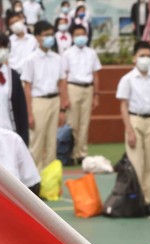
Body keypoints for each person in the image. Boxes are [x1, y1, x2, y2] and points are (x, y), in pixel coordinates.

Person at [116, 41, 150, 216]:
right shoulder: (127, 79)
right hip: (135, 120)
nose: (145, 59)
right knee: (136, 164)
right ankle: (134, 202)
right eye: (141, 56)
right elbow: (123, 105)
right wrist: (129, 129)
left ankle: (147, 202)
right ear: (134, 58)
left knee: (149, 164)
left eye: (148, 56)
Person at [21, 21, 67, 172]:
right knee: (37, 142)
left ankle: (49, 181)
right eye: (45, 35)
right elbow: (27, 87)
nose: (49, 38)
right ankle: (34, 180)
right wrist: (29, 114)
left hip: (54, 100)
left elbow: (61, 83)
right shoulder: (30, 60)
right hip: (38, 101)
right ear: (37, 37)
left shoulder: (57, 58)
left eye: (51, 34)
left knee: (51, 143)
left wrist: (62, 110)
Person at [62, 23, 101, 166]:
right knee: (72, 122)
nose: (80, 37)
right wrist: (64, 96)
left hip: (88, 88)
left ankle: (82, 153)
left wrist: (96, 94)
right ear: (72, 37)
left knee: (85, 122)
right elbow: (64, 76)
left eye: (83, 34)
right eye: (77, 35)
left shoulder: (91, 53)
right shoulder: (67, 53)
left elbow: (95, 74)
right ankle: (70, 153)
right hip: (73, 87)